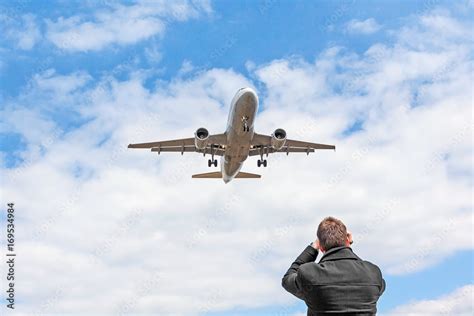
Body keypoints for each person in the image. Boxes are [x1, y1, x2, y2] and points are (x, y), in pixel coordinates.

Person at [282, 216, 385, 315]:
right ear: (347, 240)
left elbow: (287, 279)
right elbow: (368, 275)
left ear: (321, 248)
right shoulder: (373, 274)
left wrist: (313, 248)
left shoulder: (310, 274)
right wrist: (348, 246)